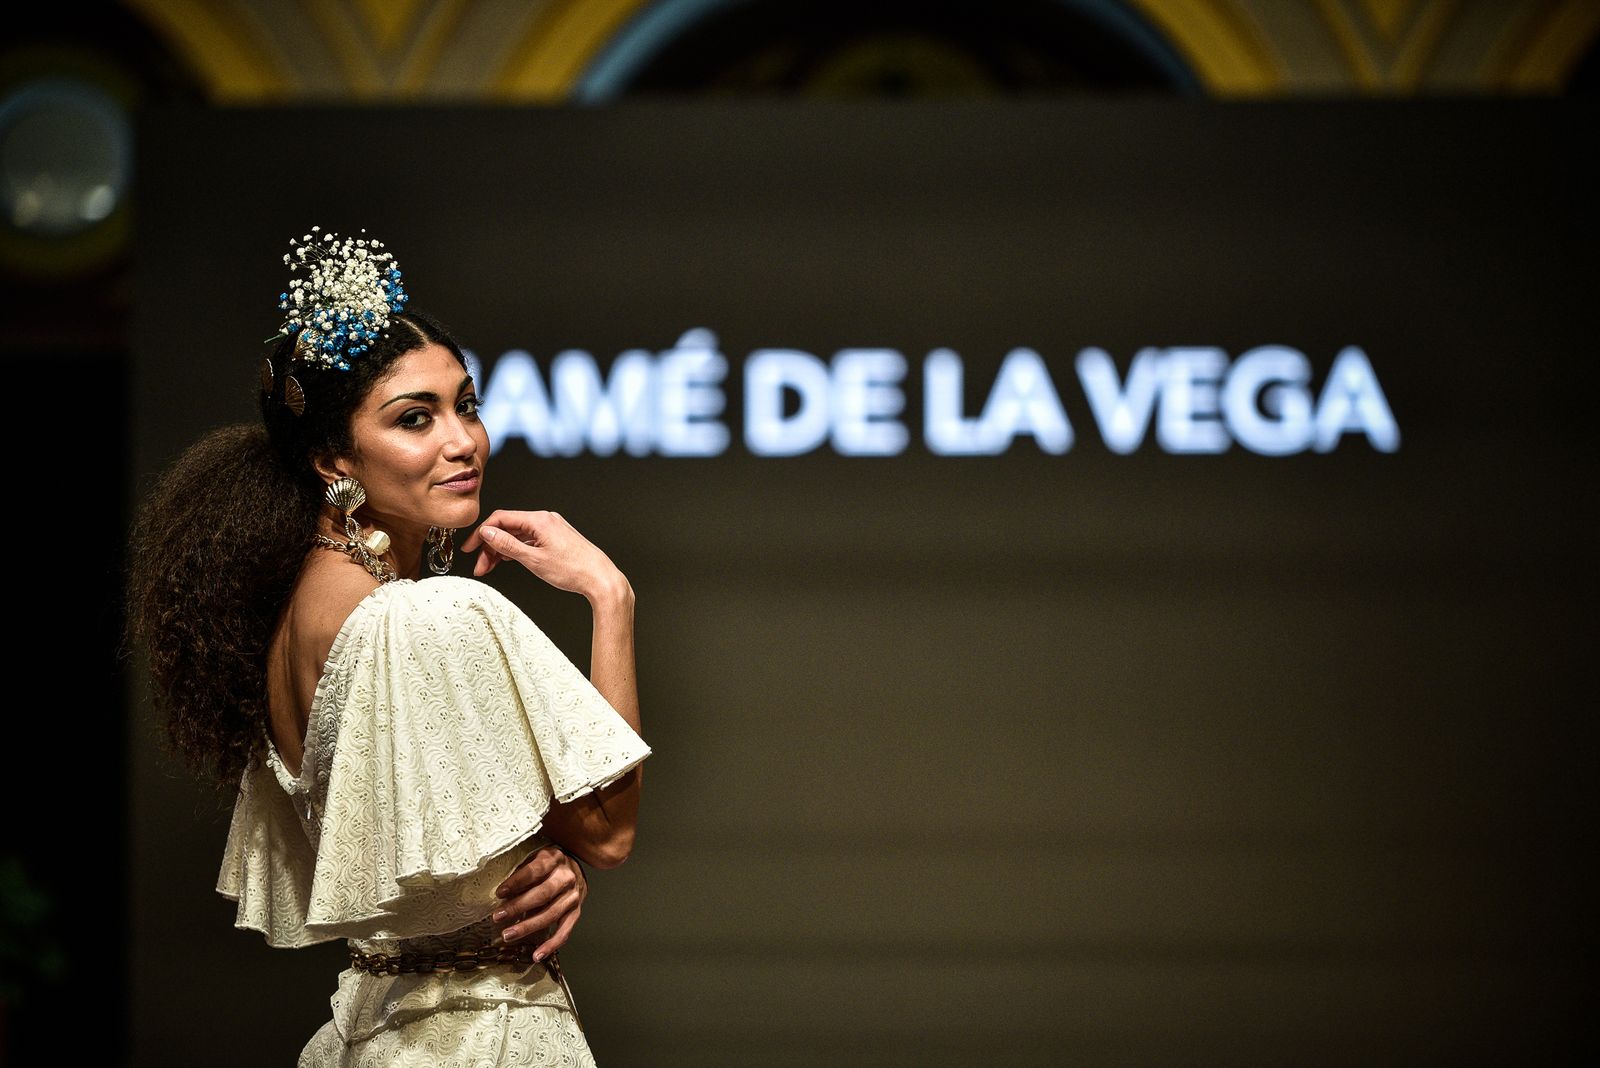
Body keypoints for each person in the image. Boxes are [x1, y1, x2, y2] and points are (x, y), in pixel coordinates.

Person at [124, 227, 650, 1066]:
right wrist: (609, 595)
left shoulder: (298, 610)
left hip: (374, 1028)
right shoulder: (431, 618)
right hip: (481, 1038)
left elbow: (454, 869)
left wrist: (544, 856)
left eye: (467, 404)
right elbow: (610, 828)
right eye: (416, 418)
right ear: (335, 456)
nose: (462, 441)